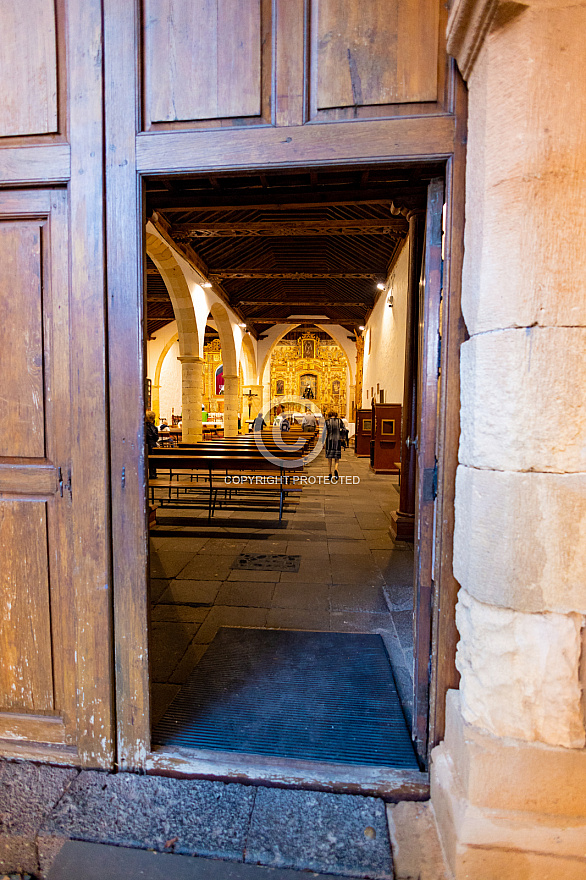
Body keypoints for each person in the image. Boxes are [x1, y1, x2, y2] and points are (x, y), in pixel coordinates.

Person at [325, 409, 344, 481]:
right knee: (337, 457)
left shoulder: (327, 422)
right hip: (337, 440)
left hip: (329, 440)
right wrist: (341, 435)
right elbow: (344, 429)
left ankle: (329, 472)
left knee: (329, 458)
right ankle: (336, 468)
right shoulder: (339, 421)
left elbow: (324, 432)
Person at [145, 410, 159, 479]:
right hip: (152, 445)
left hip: (144, 445)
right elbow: (156, 437)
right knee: (152, 460)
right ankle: (152, 474)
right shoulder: (153, 427)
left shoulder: (142, 426)